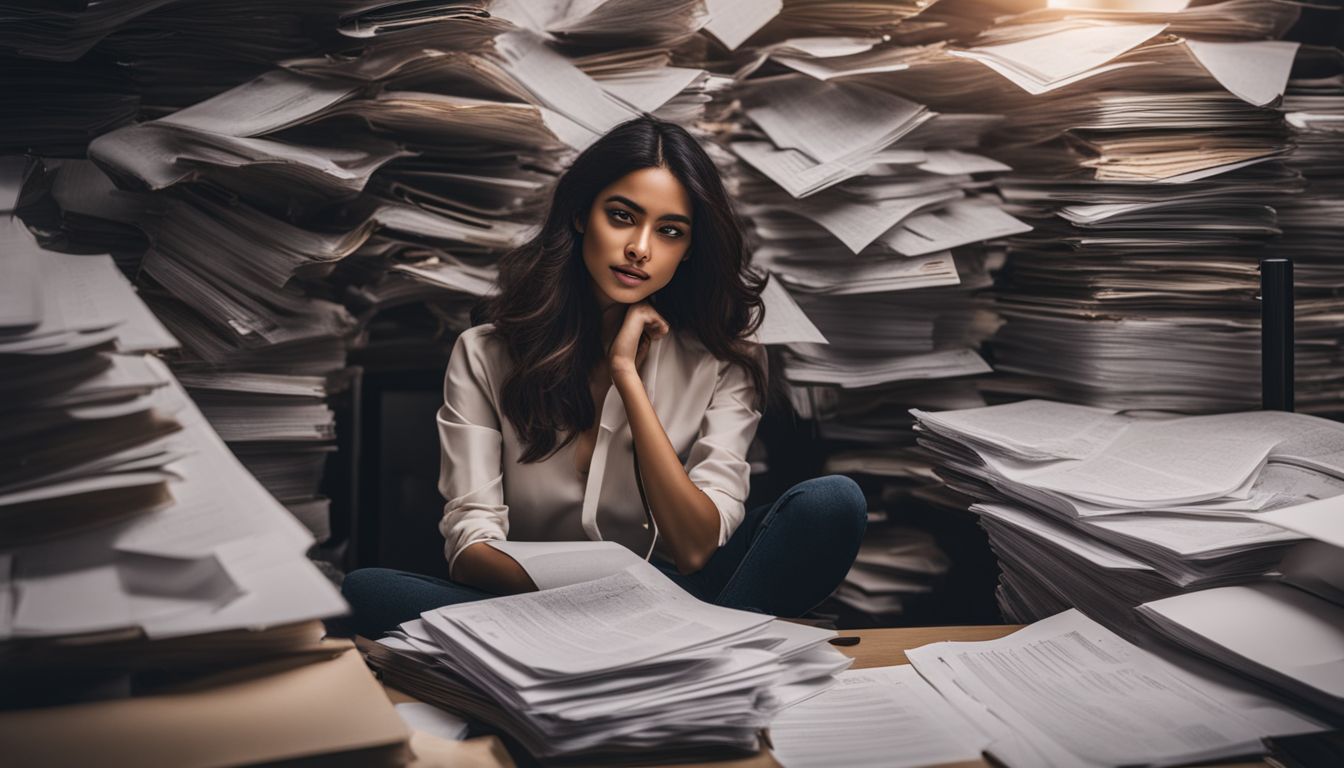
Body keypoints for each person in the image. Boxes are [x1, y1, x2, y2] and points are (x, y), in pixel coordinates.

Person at [342, 116, 866, 638]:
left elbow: (694, 546)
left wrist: (627, 378)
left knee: (831, 504)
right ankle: (692, 647)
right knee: (369, 592)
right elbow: (472, 550)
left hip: (683, 586)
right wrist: (627, 592)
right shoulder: (484, 354)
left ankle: (658, 650)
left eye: (669, 231)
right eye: (621, 216)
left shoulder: (724, 358)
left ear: (688, 250)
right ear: (579, 215)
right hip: (535, 604)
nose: (641, 247)